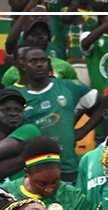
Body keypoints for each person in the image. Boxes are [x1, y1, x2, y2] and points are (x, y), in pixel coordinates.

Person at [16, 47, 98, 181]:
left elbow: (102, 103)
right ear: (23, 67)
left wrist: (84, 130)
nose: (39, 64)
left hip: (67, 166)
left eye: (43, 60)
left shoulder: (68, 87)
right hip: (34, 167)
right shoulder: (17, 95)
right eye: (33, 61)